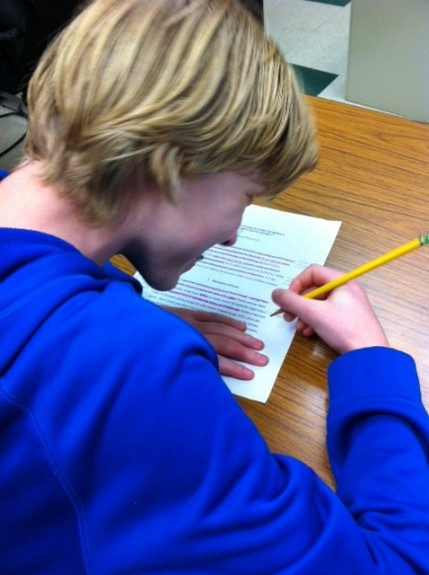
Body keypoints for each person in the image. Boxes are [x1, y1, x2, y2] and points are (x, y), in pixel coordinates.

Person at [0, 0, 428, 573]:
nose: (233, 235)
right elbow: (397, 562)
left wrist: (108, 300)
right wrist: (374, 360)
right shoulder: (129, 371)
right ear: (171, 166)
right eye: (247, 197)